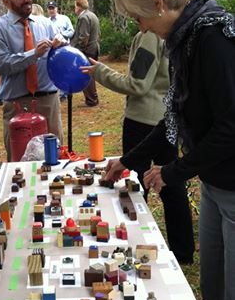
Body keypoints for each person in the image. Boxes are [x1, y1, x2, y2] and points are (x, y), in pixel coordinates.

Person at [103, 0, 235, 300]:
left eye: (139, 16)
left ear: (159, 3)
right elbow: (175, 119)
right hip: (218, 187)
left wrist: (177, 171)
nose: (139, 27)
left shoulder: (213, 37)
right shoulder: (185, 38)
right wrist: (130, 160)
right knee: (213, 296)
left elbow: (231, 127)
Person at [81, 30, 194, 263]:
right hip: (164, 119)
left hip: (143, 122)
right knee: (172, 186)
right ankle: (182, 251)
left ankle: (130, 243)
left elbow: (137, 84)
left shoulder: (150, 35)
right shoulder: (168, 32)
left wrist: (100, 72)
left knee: (133, 187)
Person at [0, 0, 65, 161]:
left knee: (55, 160)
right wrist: (34, 54)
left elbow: (63, 56)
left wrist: (62, 45)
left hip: (48, 102)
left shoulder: (46, 24)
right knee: (20, 164)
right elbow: (1, 65)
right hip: (17, 106)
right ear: (6, 1)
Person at [70, 0, 100, 107]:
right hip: (94, 48)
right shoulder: (93, 15)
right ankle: (93, 98)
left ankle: (91, 100)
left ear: (78, 7)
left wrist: (78, 52)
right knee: (90, 74)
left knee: (86, 74)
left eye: (75, 6)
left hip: (86, 51)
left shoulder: (83, 18)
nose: (74, 9)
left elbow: (83, 37)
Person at [47, 0, 74, 101]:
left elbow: (71, 31)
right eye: (49, 8)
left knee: (65, 69)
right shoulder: (47, 21)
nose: (51, 10)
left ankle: (65, 93)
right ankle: (58, 92)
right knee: (56, 70)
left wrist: (61, 35)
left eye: (53, 8)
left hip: (64, 47)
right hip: (53, 49)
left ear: (57, 9)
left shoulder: (64, 19)